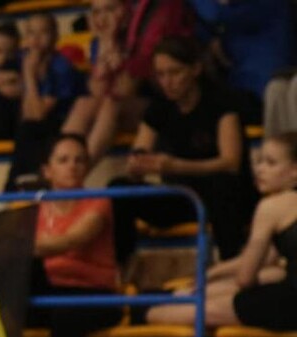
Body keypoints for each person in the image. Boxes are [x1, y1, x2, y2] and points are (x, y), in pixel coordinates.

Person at [108, 36, 256, 266]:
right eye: (161, 74)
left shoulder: (221, 102)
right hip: (182, 194)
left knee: (222, 186)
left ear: (195, 69)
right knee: (119, 189)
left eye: (174, 73)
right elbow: (140, 149)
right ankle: (121, 265)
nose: (167, 82)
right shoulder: (159, 107)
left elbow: (230, 162)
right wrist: (137, 165)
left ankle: (231, 262)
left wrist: (175, 166)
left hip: (225, 192)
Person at [147, 133, 297, 331]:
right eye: (259, 161)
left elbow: (245, 279)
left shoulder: (272, 207)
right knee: (273, 274)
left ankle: (146, 310)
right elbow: (268, 258)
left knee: (167, 313)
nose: (259, 169)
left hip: (290, 304)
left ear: (294, 170)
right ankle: (179, 295)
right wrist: (213, 273)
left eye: (270, 163)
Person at [32, 134, 122, 337]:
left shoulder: (99, 201)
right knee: (1, 306)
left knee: (66, 314)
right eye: (63, 160)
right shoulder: (35, 209)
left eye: (79, 160)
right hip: (51, 293)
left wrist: (19, 244)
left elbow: (72, 240)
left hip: (94, 295)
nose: (72, 166)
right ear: (47, 170)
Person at [5, 13, 86, 190]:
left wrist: (29, 75)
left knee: (28, 129)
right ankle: (13, 189)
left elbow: (37, 114)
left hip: (60, 124)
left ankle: (15, 188)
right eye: (31, 33)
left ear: (55, 36)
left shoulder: (61, 67)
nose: (36, 39)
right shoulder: (22, 59)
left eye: (43, 32)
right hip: (34, 126)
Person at [61, 0, 142, 162]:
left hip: (148, 106)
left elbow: (126, 90)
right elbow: (97, 91)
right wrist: (107, 43)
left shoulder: (139, 37)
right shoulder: (98, 42)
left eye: (110, 9)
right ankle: (61, 165)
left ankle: (79, 169)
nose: (103, 18)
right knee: (84, 103)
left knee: (112, 103)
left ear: (126, 9)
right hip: (113, 107)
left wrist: (115, 49)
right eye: (97, 12)